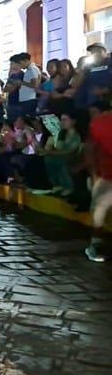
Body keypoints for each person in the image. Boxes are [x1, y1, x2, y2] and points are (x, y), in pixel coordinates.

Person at [84, 106, 112, 262]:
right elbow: (90, 149)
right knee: (100, 209)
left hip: (105, 175)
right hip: (105, 175)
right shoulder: (100, 122)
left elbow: (89, 149)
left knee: (100, 209)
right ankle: (96, 245)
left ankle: (96, 245)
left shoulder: (99, 123)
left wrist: (94, 174)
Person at [43, 112, 81, 197]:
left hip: (73, 157)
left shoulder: (76, 135)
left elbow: (70, 151)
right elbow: (58, 148)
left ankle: (69, 187)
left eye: (65, 120)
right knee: (48, 159)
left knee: (61, 161)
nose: (62, 122)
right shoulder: (61, 134)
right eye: (61, 120)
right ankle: (57, 184)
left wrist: (51, 152)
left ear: (73, 121)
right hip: (61, 156)